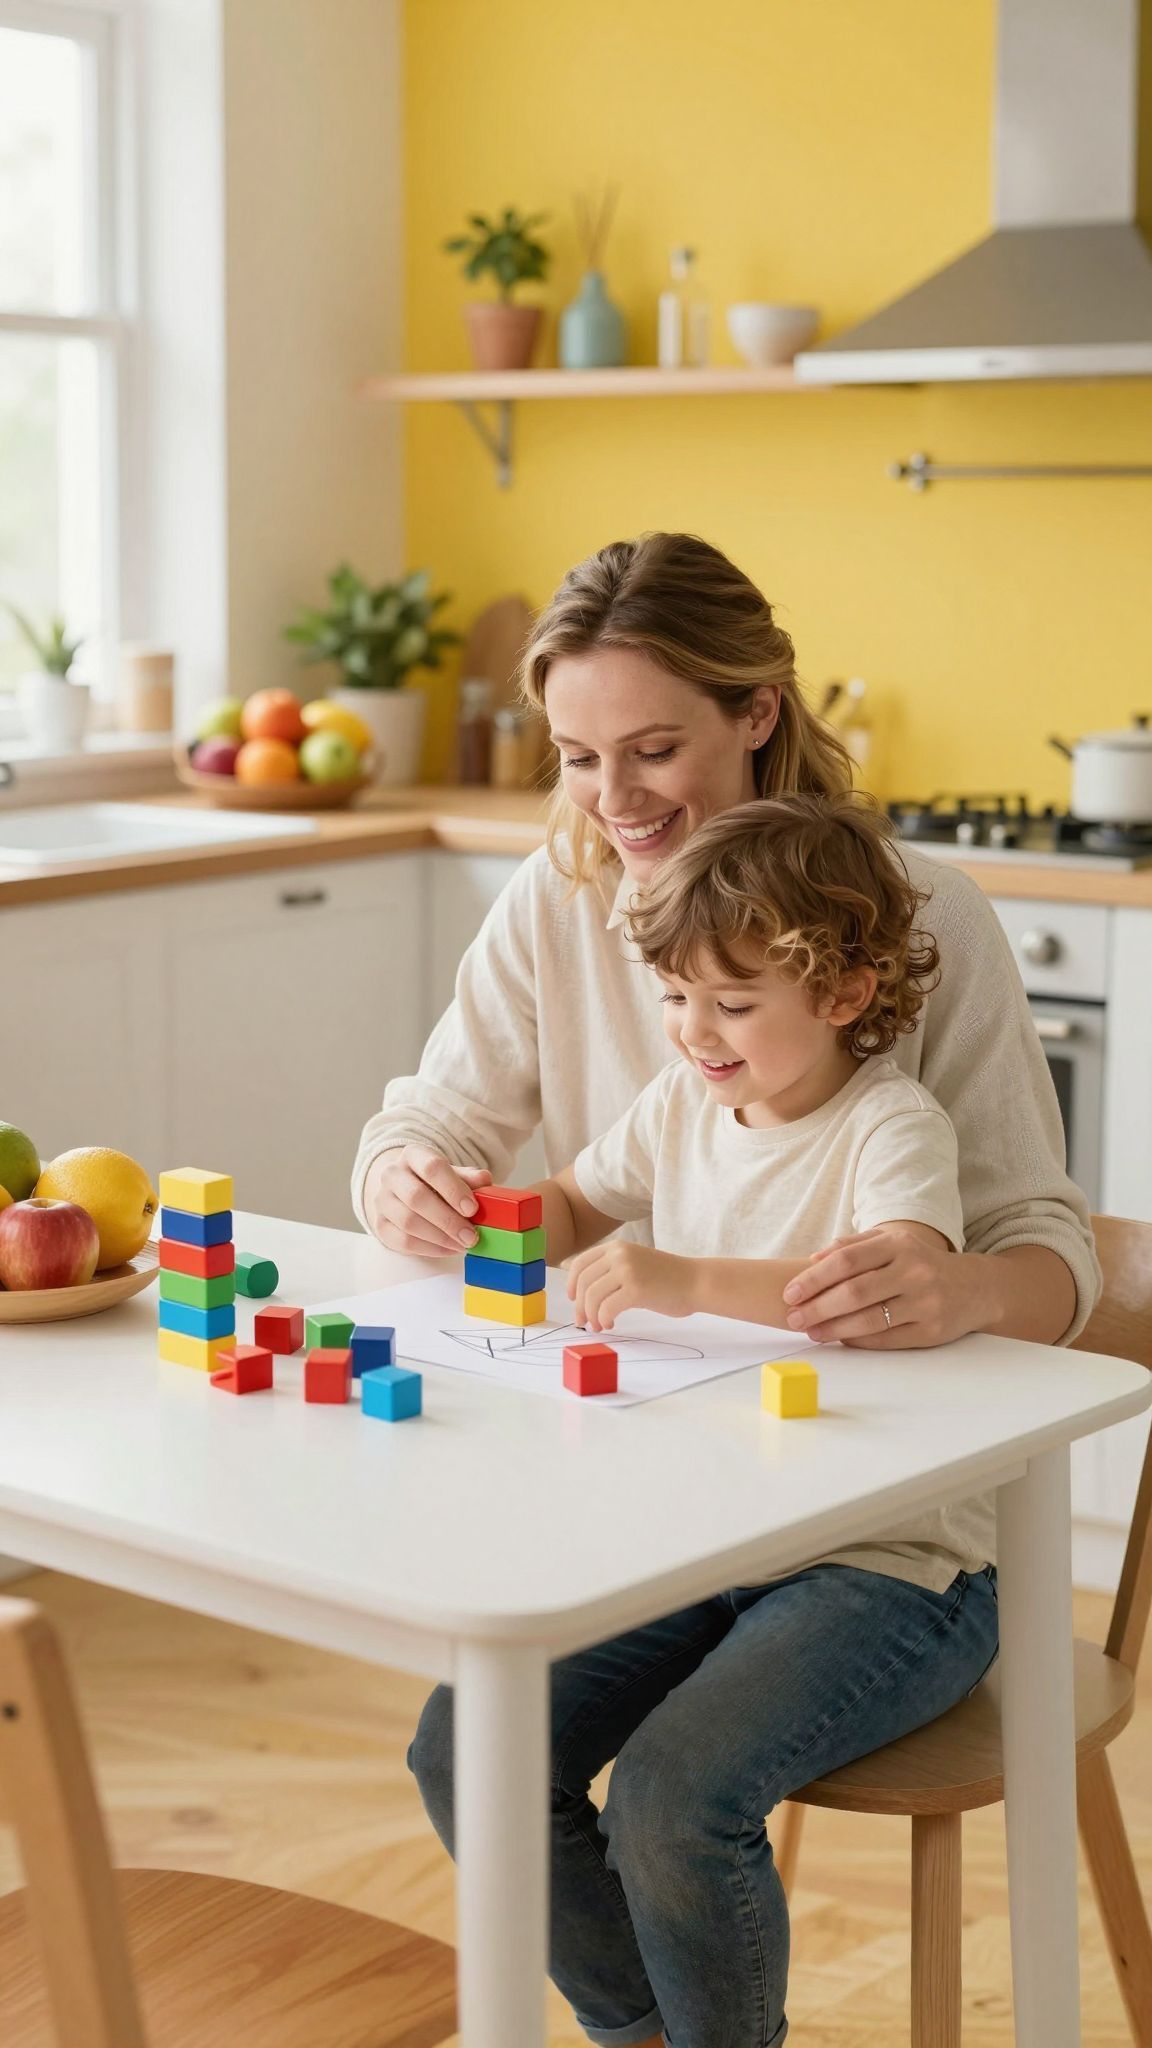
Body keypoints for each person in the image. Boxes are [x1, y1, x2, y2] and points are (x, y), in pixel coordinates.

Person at [409, 792, 1001, 2048]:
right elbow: (574, 1199)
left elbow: (881, 1282)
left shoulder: (891, 1124)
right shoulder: (682, 1103)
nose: (693, 1030)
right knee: (469, 1747)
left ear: (844, 992)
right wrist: (478, 1212)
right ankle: (644, 2031)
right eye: (677, 995)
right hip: (710, 1537)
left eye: (732, 1002)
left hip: (891, 1569)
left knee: (673, 1796)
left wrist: (677, 1275)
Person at [353, 529, 1096, 1352]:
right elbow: (438, 1127)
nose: (614, 799)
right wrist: (402, 1181)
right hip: (635, 1388)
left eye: (655, 751)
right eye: (579, 757)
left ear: (758, 714)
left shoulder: (926, 918)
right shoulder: (558, 895)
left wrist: (963, 1290)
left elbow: (1045, 1255)